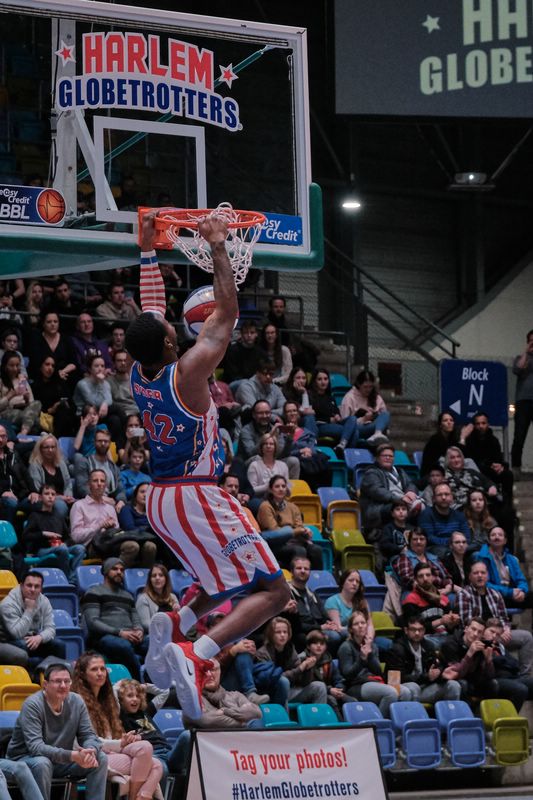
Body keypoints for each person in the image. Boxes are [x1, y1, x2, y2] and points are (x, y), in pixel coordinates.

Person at [124, 211, 288, 721]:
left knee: (223, 582)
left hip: (161, 498)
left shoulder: (138, 370)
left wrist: (149, 251)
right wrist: (218, 245)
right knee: (275, 591)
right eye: (171, 330)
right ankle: (198, 651)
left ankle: (177, 622)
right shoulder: (190, 371)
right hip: (196, 491)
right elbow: (227, 312)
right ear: (172, 342)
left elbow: (150, 311)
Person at [6, 662, 108, 800]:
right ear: (45, 685)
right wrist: (72, 755)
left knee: (100, 758)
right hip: (25, 759)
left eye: (67, 681)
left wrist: (91, 751)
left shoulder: (76, 701)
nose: (63, 686)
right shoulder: (33, 704)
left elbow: (88, 735)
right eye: (57, 681)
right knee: (42, 763)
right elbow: (36, 747)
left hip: (60, 761)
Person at [72, 652, 163, 800]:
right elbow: (88, 741)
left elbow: (119, 688)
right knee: (155, 765)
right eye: (94, 669)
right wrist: (119, 743)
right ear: (82, 674)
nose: (100, 673)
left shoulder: (109, 699)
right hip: (92, 754)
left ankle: (139, 796)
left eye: (102, 669)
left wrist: (124, 740)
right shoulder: (77, 701)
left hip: (113, 749)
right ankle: (135, 797)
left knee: (148, 751)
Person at [457, 560, 533, 677]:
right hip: (478, 637)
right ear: (470, 576)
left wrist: (506, 629)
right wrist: (487, 634)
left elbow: (503, 617)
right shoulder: (464, 595)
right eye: (476, 573)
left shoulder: (495, 594)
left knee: (526, 637)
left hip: (498, 634)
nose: (480, 576)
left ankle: (525, 676)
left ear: (487, 576)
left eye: (483, 573)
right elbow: (466, 622)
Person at [81, 558, 148, 680]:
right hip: (105, 637)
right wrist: (120, 632)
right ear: (106, 572)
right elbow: (93, 622)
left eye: (122, 570)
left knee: (153, 642)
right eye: (114, 569)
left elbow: (136, 618)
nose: (119, 572)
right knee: (122, 646)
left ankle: (158, 684)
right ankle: (139, 685)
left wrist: (139, 630)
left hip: (130, 636)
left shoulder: (127, 595)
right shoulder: (94, 592)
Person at [338, 610, 414, 715]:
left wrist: (370, 655)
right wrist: (362, 659)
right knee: (390, 693)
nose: (360, 626)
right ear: (351, 629)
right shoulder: (346, 647)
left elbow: (378, 671)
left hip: (375, 681)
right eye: (356, 624)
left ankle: (396, 725)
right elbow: (348, 675)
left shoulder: (372, 645)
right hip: (356, 686)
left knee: (405, 692)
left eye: (363, 623)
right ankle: (379, 724)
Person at [117, 679, 190, 780]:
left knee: (187, 735)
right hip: (154, 756)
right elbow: (111, 696)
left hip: (168, 751)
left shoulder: (146, 711)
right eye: (130, 696)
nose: (135, 699)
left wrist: (145, 687)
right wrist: (120, 687)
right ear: (120, 700)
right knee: (163, 770)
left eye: (138, 696)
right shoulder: (121, 716)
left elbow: (165, 692)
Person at [386, 615, 461, 703]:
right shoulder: (397, 649)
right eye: (413, 629)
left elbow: (436, 668)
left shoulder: (429, 646)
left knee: (453, 685)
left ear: (424, 631)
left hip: (425, 687)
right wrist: (426, 677)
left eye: (420, 630)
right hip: (405, 689)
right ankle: (416, 716)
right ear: (406, 630)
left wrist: (441, 674)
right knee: (414, 687)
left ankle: (450, 714)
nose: (417, 633)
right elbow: (395, 680)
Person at [0, 570, 66, 669]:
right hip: (7, 640)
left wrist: (40, 637)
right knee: (25, 647)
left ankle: (58, 675)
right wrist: (29, 610)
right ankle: (37, 674)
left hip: (31, 638)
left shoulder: (44, 601)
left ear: (41, 588)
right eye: (29, 585)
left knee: (59, 645)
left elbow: (51, 629)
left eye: (37, 586)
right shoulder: (8, 604)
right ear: (21, 586)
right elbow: (17, 634)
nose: (32, 589)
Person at [255, 616, 327, 705]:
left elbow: (304, 682)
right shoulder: (262, 653)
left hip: (292, 690)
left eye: (285, 632)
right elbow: (273, 679)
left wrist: (307, 668)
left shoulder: (290, 649)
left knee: (319, 686)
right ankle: (281, 717)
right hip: (270, 693)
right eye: (278, 632)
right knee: (283, 682)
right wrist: (300, 668)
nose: (282, 635)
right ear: (271, 634)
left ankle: (319, 718)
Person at [21, 485, 85, 583]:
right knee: (62, 549)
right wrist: (43, 534)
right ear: (41, 497)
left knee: (80, 548)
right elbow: (25, 536)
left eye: (53, 494)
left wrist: (66, 544)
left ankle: (73, 579)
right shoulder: (35, 515)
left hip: (59, 547)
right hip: (41, 550)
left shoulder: (59, 516)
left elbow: (68, 538)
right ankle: (66, 579)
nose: (50, 496)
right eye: (47, 494)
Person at [257, 476, 323, 569]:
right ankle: (297, 579)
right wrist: (297, 531)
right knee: (299, 550)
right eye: (277, 486)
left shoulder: (293, 507)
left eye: (283, 486)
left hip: (295, 541)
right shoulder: (265, 506)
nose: (281, 489)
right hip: (276, 545)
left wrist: (305, 532)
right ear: (271, 490)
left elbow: (299, 526)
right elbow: (274, 531)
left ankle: (317, 580)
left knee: (316, 550)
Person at [184, 657, 263, 730]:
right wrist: (243, 722)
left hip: (238, 741)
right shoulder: (192, 699)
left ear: (219, 672)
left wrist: (224, 711)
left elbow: (256, 713)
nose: (209, 674)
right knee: (186, 736)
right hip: (207, 743)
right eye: (204, 670)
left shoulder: (236, 696)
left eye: (212, 669)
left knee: (256, 723)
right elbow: (208, 721)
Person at [283, 556, 342, 651]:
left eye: (306, 569)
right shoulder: (287, 593)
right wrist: (320, 627)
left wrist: (330, 624)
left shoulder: (312, 593)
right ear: (291, 572)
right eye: (299, 568)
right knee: (334, 637)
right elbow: (294, 625)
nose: (303, 571)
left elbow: (324, 615)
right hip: (302, 633)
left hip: (319, 629)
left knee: (346, 633)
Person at [359, 443, 421, 534]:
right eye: (384, 455)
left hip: (402, 502)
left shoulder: (399, 471)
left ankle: (418, 535)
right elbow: (378, 492)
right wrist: (400, 499)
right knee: (398, 509)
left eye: (390, 456)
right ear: (377, 457)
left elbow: (411, 484)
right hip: (379, 508)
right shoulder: (371, 473)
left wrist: (411, 492)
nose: (388, 458)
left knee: (423, 507)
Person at [439, 617, 498, 702]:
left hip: (472, 681)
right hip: (451, 682)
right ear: (466, 629)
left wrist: (488, 660)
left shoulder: (481, 647)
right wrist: (469, 654)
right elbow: (455, 674)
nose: (475, 634)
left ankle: (486, 713)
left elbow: (490, 676)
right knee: (463, 684)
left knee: (493, 684)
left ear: (482, 636)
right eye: (473, 629)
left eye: (479, 632)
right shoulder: (450, 644)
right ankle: (465, 714)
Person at [237, 399, 300, 478]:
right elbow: (251, 453)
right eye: (260, 413)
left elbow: (282, 455)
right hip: (248, 465)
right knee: (257, 459)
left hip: (271, 462)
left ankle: (288, 489)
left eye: (267, 413)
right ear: (254, 415)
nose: (264, 416)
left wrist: (290, 438)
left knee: (293, 461)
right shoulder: (246, 430)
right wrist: (269, 436)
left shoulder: (275, 428)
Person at [401, 563, 460, 644]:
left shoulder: (443, 599)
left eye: (428, 575)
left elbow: (450, 629)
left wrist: (452, 622)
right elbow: (413, 629)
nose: (425, 579)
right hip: (423, 639)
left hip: (446, 638)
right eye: (421, 576)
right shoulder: (411, 599)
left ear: (432, 577)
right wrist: (441, 621)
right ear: (415, 579)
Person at [477, 526, 533, 611]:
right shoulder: (482, 558)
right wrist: (509, 592)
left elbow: (521, 580)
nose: (497, 537)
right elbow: (484, 584)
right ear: (488, 540)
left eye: (500, 535)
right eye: (493, 535)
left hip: (513, 595)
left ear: (505, 540)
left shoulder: (511, 559)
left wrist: (521, 591)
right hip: (493, 596)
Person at [73, 355, 125, 445]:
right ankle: (127, 431)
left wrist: (105, 404)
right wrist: (100, 383)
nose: (100, 369)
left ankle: (114, 447)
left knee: (115, 420)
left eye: (102, 366)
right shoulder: (83, 384)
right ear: (90, 369)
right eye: (96, 366)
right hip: (84, 416)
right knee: (117, 408)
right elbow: (93, 402)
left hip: (99, 413)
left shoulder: (106, 383)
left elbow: (109, 400)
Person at [464, 411, 514, 505]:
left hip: (491, 470)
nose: (481, 426)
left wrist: (500, 466)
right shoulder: (470, 441)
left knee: (508, 475)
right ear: (474, 425)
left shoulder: (493, 440)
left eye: (483, 423)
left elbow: (498, 458)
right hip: (477, 472)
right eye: (478, 424)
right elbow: (470, 461)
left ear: (488, 424)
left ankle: (507, 504)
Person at [337, 370, 391, 454]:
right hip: (358, 428)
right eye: (365, 387)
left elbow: (383, 416)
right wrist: (363, 419)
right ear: (359, 385)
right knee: (355, 431)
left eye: (370, 387)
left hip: (373, 427)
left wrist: (375, 416)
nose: (368, 390)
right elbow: (346, 422)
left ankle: (377, 434)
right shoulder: (349, 397)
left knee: (385, 414)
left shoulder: (376, 397)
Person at [74, 429, 126, 508]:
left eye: (106, 441)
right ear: (94, 442)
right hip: (89, 503)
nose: (103, 443)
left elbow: (121, 489)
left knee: (125, 509)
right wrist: (102, 498)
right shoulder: (84, 462)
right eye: (99, 441)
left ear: (109, 443)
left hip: (110, 503)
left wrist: (121, 501)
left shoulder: (113, 467)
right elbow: (82, 488)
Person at [418, 481, 470, 557]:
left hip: (459, 546)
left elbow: (467, 537)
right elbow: (428, 538)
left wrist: (457, 544)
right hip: (436, 549)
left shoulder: (459, 515)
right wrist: (451, 542)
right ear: (434, 499)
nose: (443, 497)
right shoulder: (426, 515)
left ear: (452, 497)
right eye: (440, 495)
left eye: (447, 494)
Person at [28, 434, 75, 519]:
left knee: (79, 505)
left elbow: (68, 483)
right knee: (61, 506)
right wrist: (60, 498)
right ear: (40, 449)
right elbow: (38, 490)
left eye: (53, 447)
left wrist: (68, 496)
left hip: (64, 498)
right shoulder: (35, 465)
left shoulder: (61, 463)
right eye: (46, 447)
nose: (50, 450)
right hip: (46, 499)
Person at [393, 528, 453, 594]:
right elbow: (408, 580)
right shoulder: (404, 557)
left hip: (441, 591)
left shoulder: (434, 558)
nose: (418, 542)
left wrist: (448, 587)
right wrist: (434, 591)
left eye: (421, 539)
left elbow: (447, 577)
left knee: (454, 598)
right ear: (410, 542)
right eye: (415, 539)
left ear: (426, 541)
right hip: (416, 592)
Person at [308, 367, 357, 445]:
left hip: (335, 423)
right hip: (321, 426)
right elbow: (312, 416)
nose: (323, 382)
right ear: (314, 381)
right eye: (319, 379)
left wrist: (338, 416)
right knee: (353, 432)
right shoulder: (310, 396)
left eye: (325, 379)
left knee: (352, 419)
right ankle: (344, 450)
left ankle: (342, 446)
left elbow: (336, 411)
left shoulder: (330, 397)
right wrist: (329, 420)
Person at [30, 355, 76, 437]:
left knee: (64, 411)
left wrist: (66, 405)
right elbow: (34, 406)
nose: (50, 368)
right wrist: (50, 410)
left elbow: (73, 406)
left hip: (62, 416)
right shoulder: (35, 386)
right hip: (44, 417)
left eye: (53, 366)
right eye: (47, 364)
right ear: (41, 366)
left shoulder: (60, 384)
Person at [28, 312, 78, 385]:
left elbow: (73, 363)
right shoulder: (36, 339)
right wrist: (55, 374)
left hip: (64, 375)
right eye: (49, 322)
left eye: (55, 321)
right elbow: (35, 363)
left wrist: (62, 372)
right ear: (43, 324)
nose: (53, 324)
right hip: (42, 377)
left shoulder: (67, 339)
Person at [323, 568, 374, 638]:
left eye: (357, 581)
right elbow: (338, 628)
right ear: (343, 583)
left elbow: (370, 625)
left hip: (363, 636)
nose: (354, 583)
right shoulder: (332, 601)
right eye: (351, 580)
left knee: (386, 644)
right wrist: (359, 631)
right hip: (346, 637)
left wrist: (369, 640)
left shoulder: (362, 601)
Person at [0, 352, 41, 435]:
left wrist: (26, 400)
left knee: (37, 403)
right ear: (5, 366)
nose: (15, 368)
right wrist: (9, 396)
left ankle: (23, 433)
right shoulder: (1, 381)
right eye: (11, 365)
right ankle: (24, 434)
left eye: (17, 365)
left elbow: (31, 403)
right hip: (7, 412)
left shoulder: (22, 380)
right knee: (35, 420)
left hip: (24, 409)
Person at [420, 411, 471, 477]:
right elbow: (447, 456)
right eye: (445, 420)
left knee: (469, 461)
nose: (449, 422)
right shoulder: (435, 439)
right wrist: (462, 438)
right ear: (440, 425)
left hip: (450, 471)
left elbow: (463, 456)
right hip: (433, 473)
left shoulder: (453, 439)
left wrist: (463, 438)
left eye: (451, 420)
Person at [511, 328, 533, 478]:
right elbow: (518, 369)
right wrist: (528, 351)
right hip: (524, 401)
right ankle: (516, 468)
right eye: (531, 340)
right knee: (519, 436)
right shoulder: (521, 357)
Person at [135, 563, 179, 634]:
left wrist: (177, 612)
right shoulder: (143, 598)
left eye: (161, 575)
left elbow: (179, 621)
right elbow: (146, 625)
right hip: (154, 635)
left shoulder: (173, 597)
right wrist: (166, 632)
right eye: (154, 576)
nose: (157, 578)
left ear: (166, 579)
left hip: (173, 633)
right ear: (150, 580)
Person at [0, 423, 30, 523]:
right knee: (11, 503)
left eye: (3, 436)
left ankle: (34, 535)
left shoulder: (13, 455)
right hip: (3, 497)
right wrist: (2, 492)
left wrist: (34, 492)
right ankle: (8, 536)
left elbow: (26, 475)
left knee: (39, 503)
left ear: (7, 438)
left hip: (19, 496)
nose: (0, 440)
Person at [222, 319, 266, 388]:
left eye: (252, 332)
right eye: (246, 332)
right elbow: (232, 375)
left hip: (255, 384)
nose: (249, 335)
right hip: (235, 384)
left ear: (256, 334)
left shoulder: (260, 352)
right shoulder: (233, 350)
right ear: (241, 334)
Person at [246, 432, 289, 500]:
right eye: (265, 444)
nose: (268, 446)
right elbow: (251, 490)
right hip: (260, 499)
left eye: (271, 444)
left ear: (275, 447)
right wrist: (267, 487)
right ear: (261, 447)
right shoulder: (254, 465)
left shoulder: (283, 466)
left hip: (280, 499)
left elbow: (287, 487)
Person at [282, 367, 318, 434]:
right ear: (292, 379)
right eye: (298, 378)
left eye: (304, 378)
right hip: (291, 421)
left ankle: (311, 440)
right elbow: (304, 411)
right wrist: (303, 410)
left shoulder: (308, 392)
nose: (301, 381)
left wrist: (304, 393)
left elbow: (307, 410)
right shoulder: (286, 392)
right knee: (309, 417)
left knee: (309, 418)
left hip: (305, 420)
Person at [108, 349, 141, 419]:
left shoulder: (137, 380)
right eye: (119, 360)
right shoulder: (108, 381)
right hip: (120, 414)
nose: (123, 363)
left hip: (137, 413)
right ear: (114, 363)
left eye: (125, 360)